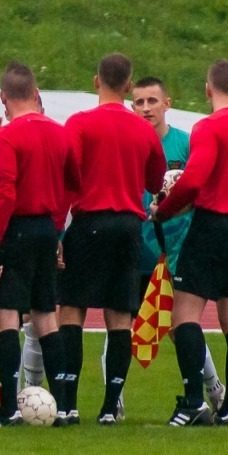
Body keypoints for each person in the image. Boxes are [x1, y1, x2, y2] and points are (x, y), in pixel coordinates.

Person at [154, 59, 228, 427]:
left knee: (184, 316)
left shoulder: (207, 127)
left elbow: (192, 180)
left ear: (208, 89)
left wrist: (165, 211)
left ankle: (192, 402)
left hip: (212, 225)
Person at [59, 54, 166, 426]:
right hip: (128, 226)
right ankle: (109, 406)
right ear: (128, 86)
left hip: (89, 221)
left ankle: (68, 404)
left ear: (96, 82)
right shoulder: (143, 130)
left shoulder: (79, 124)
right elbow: (156, 182)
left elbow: (66, 174)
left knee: (71, 309)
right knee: (120, 316)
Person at [0, 62, 71, 427]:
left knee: (7, 315)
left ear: (3, 97)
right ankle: (64, 407)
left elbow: (5, 192)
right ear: (36, 93)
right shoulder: (60, 133)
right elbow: (71, 185)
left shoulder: (7, 137)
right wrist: (57, 230)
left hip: (16, 229)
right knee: (46, 314)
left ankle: (8, 410)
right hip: (46, 229)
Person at [130, 76, 223, 413]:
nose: (145, 109)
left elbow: (203, 189)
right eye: (138, 102)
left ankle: (214, 388)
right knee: (121, 323)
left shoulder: (186, 144)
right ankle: (115, 404)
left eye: (152, 101)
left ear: (167, 103)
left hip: (179, 249)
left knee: (178, 326)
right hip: (137, 249)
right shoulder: (129, 143)